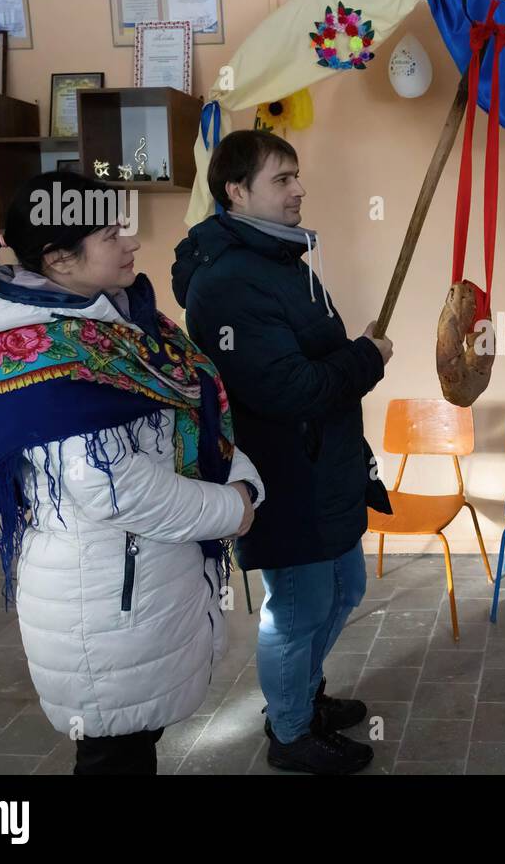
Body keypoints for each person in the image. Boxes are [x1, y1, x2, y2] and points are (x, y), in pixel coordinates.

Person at [0, 170, 264, 773]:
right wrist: (233, 509)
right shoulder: (44, 346)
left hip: (141, 579)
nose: (132, 243)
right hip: (102, 596)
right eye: (112, 234)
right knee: (114, 754)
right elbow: (111, 486)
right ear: (60, 259)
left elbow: (192, 410)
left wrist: (239, 476)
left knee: (132, 747)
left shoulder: (120, 322)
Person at [171, 129, 393, 775]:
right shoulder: (229, 284)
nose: (298, 190)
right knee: (297, 610)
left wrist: (355, 355)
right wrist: (366, 358)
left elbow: (312, 362)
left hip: (326, 468)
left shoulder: (281, 261)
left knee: (346, 587)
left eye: (297, 176)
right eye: (282, 179)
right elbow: (291, 389)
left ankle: (302, 695)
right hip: (285, 477)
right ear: (236, 192)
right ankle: (291, 733)